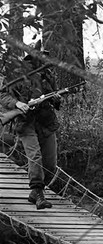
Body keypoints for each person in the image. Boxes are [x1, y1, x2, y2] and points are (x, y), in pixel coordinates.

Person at [0, 44, 61, 210]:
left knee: (50, 164)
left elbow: (54, 96)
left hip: (46, 121)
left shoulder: (48, 75)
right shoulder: (17, 75)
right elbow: (3, 94)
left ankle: (35, 192)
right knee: (35, 156)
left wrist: (56, 99)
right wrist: (18, 103)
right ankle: (39, 193)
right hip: (25, 122)